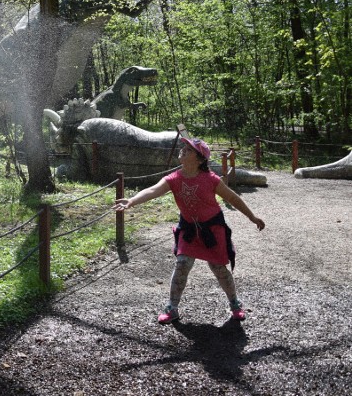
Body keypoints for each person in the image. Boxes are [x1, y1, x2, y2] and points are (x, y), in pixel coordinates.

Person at [113, 137, 266, 324]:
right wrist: (132, 201)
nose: (183, 150)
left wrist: (252, 217)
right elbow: (153, 190)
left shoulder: (211, 179)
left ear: (200, 159)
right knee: (182, 264)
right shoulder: (174, 178)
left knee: (218, 268)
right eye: (183, 148)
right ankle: (172, 308)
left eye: (189, 150)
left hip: (212, 228)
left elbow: (233, 198)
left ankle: (235, 304)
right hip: (188, 228)